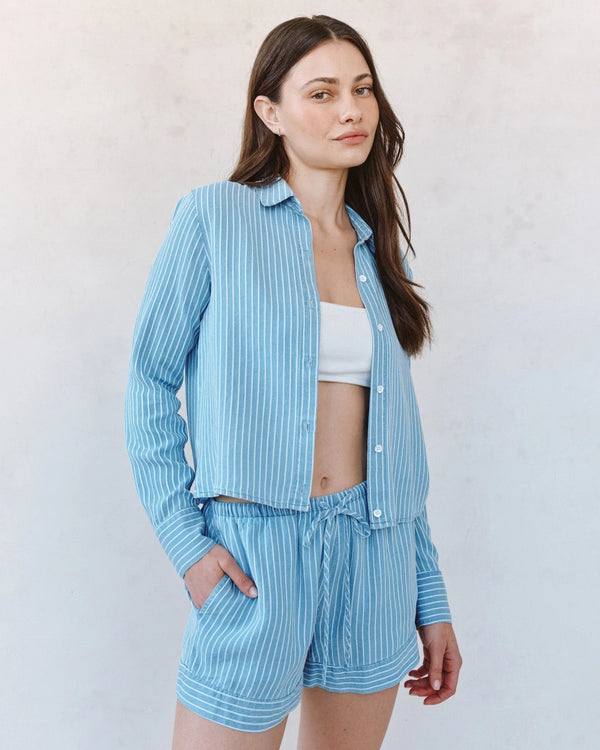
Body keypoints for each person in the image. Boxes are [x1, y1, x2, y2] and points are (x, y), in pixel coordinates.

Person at [124, 14, 462, 750]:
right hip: (254, 557)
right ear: (270, 113)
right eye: (322, 92)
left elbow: (397, 445)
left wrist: (428, 594)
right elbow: (149, 383)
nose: (351, 110)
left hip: (376, 556)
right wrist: (187, 545)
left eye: (363, 89)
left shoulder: (378, 253)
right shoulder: (215, 218)